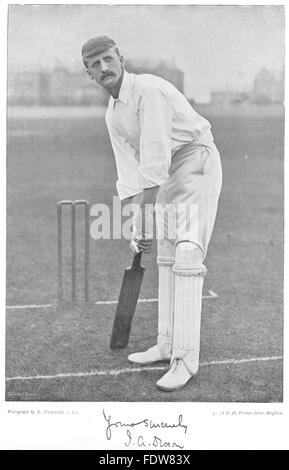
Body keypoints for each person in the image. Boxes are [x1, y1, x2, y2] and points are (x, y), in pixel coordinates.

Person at [82, 35, 222, 391]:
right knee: (166, 250)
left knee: (187, 251)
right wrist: (136, 225)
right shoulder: (113, 114)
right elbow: (130, 174)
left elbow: (155, 162)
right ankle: (167, 343)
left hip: (196, 160)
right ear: (89, 74)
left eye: (108, 59)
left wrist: (145, 218)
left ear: (121, 58)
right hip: (169, 173)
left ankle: (186, 358)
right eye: (95, 64)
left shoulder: (149, 91)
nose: (104, 68)